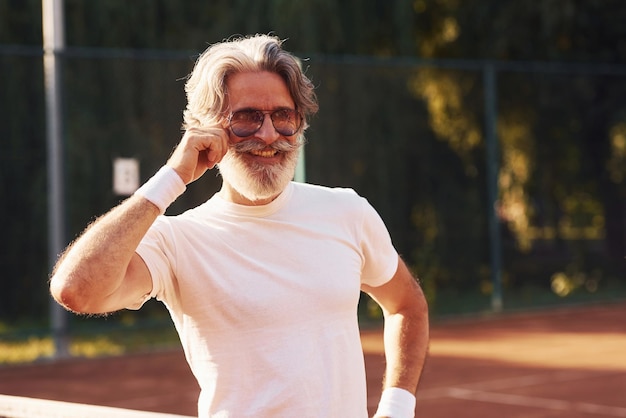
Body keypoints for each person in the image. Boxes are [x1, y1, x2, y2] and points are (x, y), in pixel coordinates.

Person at [50, 34, 429, 418]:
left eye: (283, 116)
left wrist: (397, 408)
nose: (268, 135)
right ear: (206, 128)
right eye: (246, 118)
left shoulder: (347, 211)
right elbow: (76, 290)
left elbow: (407, 306)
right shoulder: (176, 240)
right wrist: (172, 177)